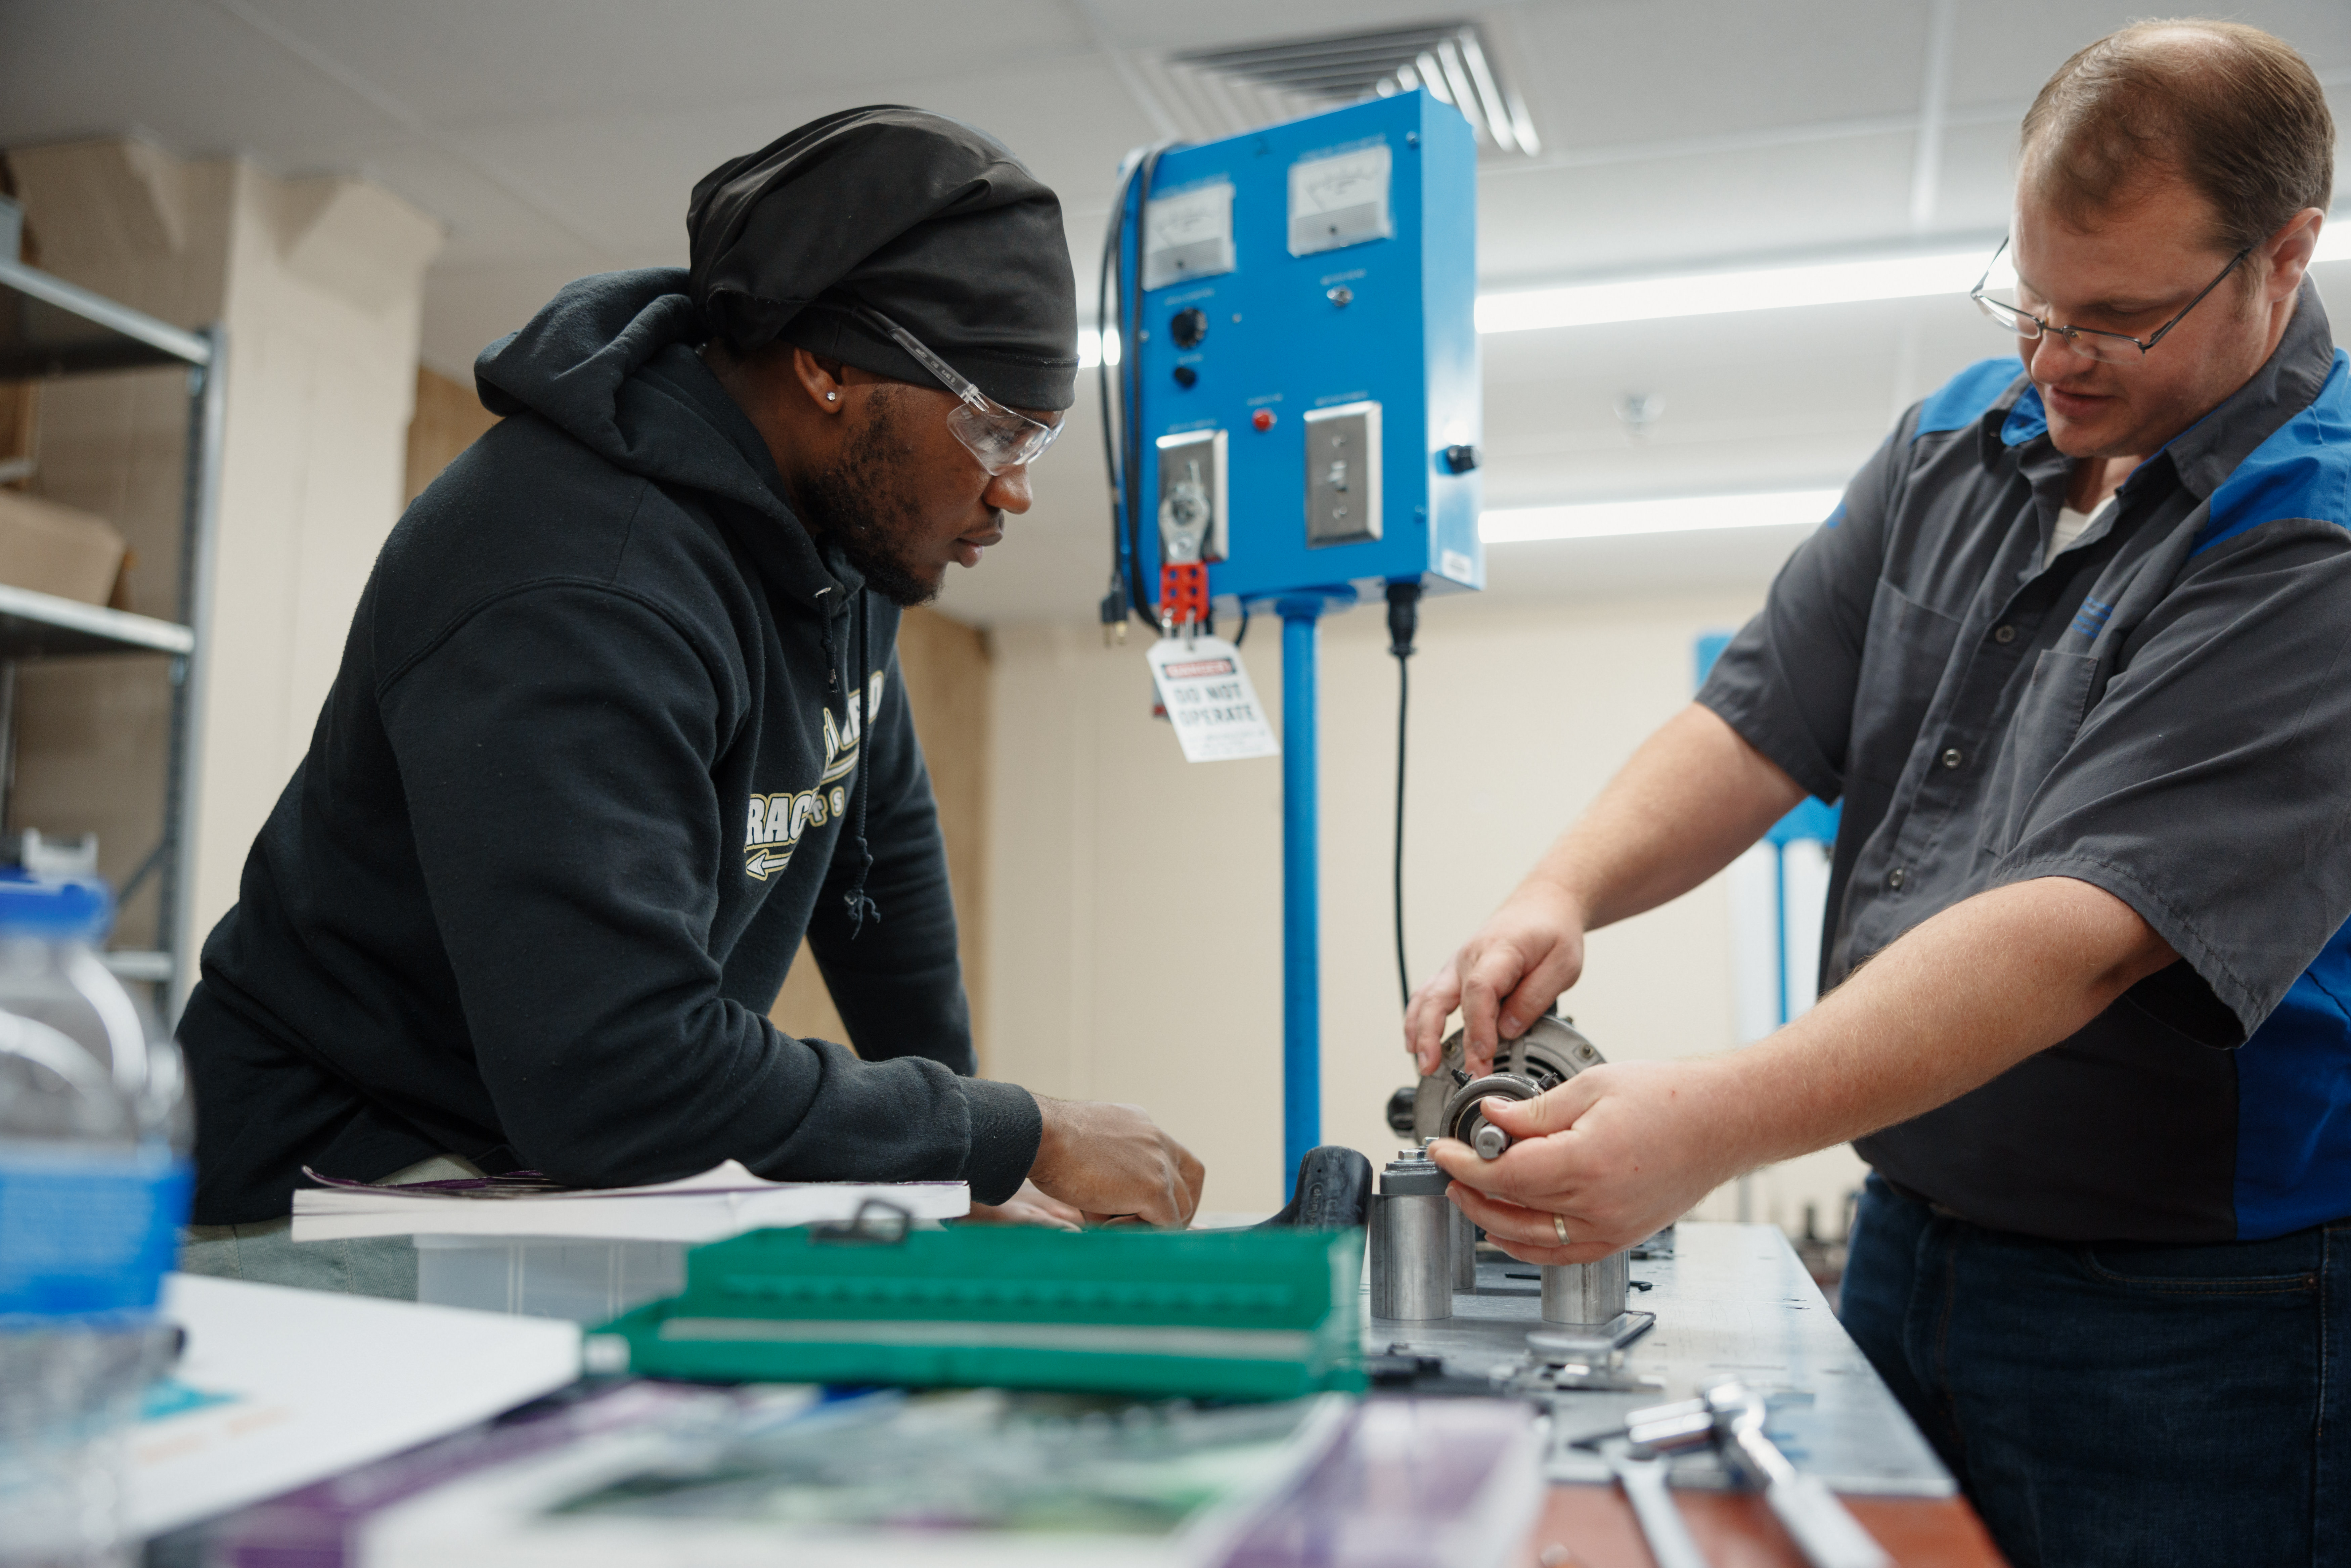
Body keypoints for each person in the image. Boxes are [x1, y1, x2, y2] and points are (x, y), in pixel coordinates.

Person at [1407, 23, 2344, 1566]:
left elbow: (2088, 928)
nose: (2051, 360)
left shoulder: (2312, 540)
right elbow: (1759, 719)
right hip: (1916, 1239)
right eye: (2033, 299)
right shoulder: (1957, 443)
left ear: (2283, 255)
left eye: (2113, 318)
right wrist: (1554, 891)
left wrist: (1709, 1123)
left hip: (2199, 1315)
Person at [177, 107, 1203, 1297]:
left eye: (1043, 436)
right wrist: (1010, 1129)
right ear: (827, 368)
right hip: (322, 1191)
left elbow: (881, 844)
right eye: (993, 427)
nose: (1015, 488)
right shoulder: (575, 583)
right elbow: (618, 1075)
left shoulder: (841, 546)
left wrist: (962, 1166)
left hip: (541, 1159)